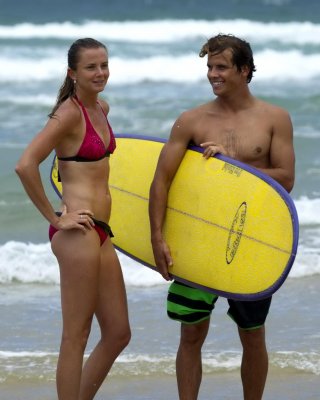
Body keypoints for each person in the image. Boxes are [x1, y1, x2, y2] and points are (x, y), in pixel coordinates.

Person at [149, 34, 295, 400]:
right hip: (199, 242)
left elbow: (286, 179)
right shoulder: (192, 121)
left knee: (252, 333)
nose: (213, 74)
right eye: (209, 67)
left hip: (252, 243)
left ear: (244, 70)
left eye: (221, 67)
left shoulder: (275, 118)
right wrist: (156, 237)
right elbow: (160, 181)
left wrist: (234, 166)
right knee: (191, 333)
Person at [15, 38, 131, 400]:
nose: (100, 73)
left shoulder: (102, 108)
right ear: (73, 73)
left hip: (101, 233)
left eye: (104, 65)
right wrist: (55, 216)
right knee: (76, 335)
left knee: (117, 333)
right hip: (78, 232)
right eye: (91, 67)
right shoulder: (69, 112)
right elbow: (25, 164)